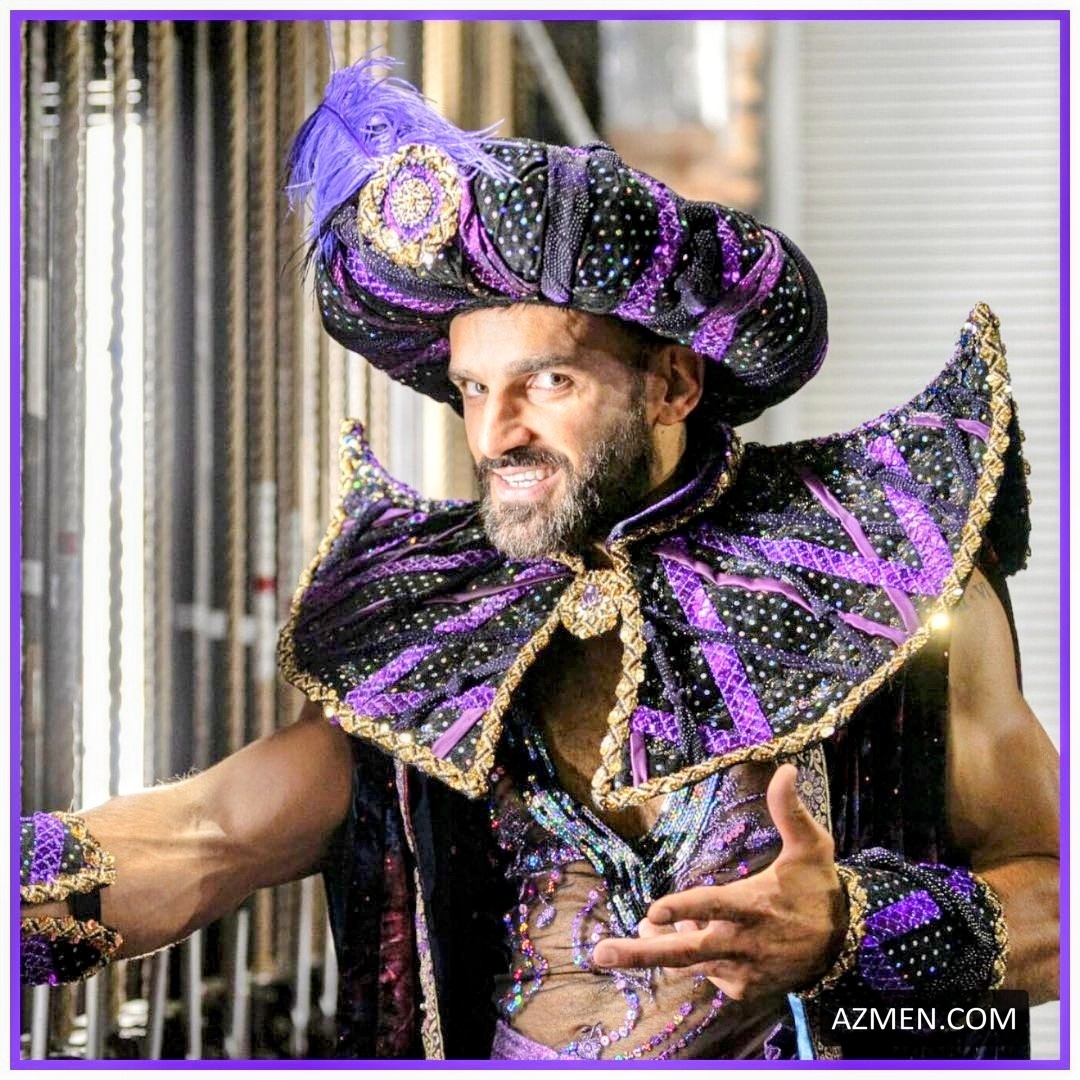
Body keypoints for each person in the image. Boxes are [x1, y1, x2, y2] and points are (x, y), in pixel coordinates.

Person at [21, 58, 1058, 1061]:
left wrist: (853, 929)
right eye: (474, 388)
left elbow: (1055, 901)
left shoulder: (880, 573)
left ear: (674, 385)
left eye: (547, 382)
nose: (495, 434)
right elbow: (207, 835)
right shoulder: (438, 620)